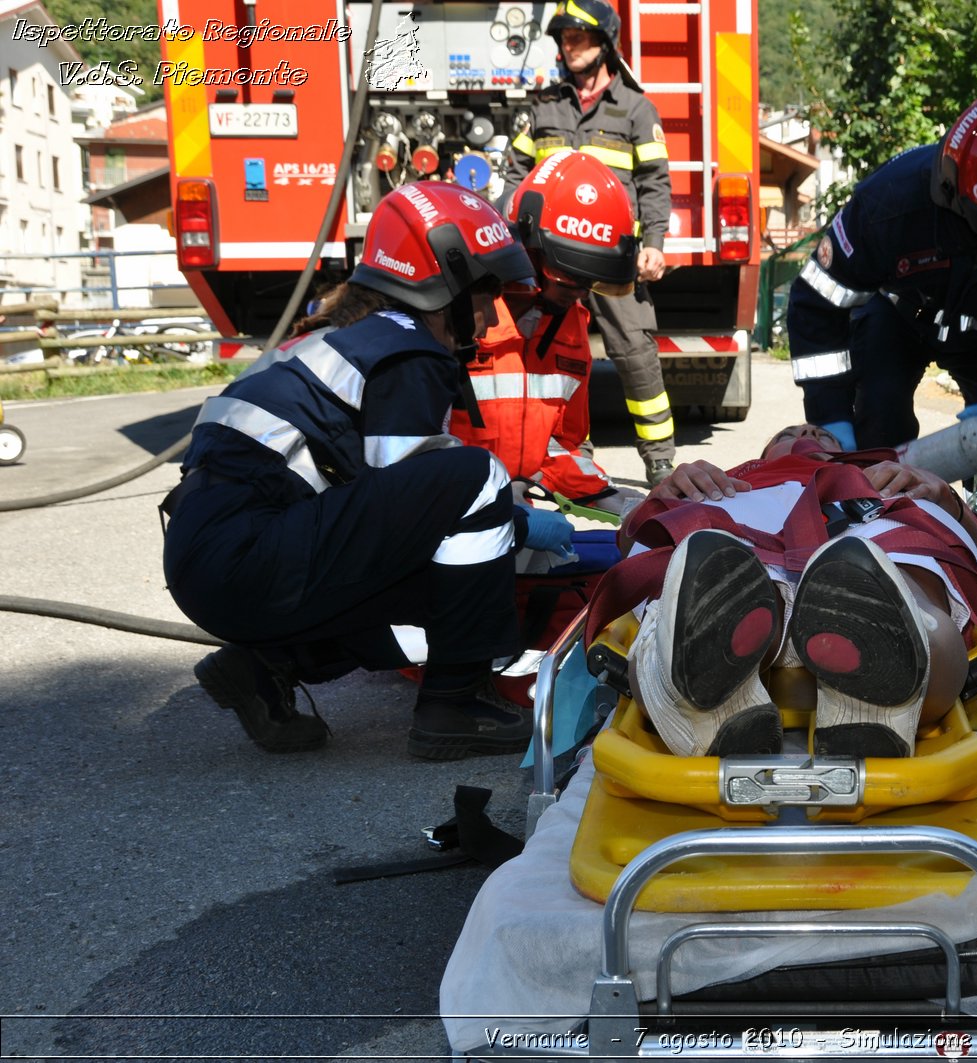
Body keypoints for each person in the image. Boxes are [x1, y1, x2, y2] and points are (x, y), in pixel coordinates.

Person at [163, 182, 577, 759]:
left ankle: (267, 665)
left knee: (445, 575)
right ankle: (454, 705)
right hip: (246, 556)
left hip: (222, 558)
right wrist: (520, 522)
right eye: (484, 296)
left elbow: (383, 522)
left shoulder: (351, 338)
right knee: (476, 476)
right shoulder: (408, 350)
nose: (487, 318)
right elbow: (428, 491)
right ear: (446, 283)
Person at [582, 425, 977, 759]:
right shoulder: (719, 479)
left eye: (821, 434)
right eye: (789, 433)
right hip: (741, 510)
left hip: (859, 509)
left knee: (894, 565)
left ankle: (895, 669)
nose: (806, 435)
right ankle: (706, 676)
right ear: (764, 453)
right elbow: (631, 537)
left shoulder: (880, 476)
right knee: (706, 563)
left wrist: (948, 502)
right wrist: (660, 497)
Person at [783, 93, 977, 492]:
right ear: (954, 200)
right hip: (898, 315)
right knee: (878, 419)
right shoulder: (888, 205)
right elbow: (816, 307)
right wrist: (829, 416)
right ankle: (878, 527)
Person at [506, 0, 677, 485]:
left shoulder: (637, 108)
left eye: (577, 36)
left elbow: (654, 182)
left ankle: (660, 461)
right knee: (550, 350)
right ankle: (563, 450)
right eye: (562, 37)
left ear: (604, 42)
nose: (568, 45)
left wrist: (656, 242)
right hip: (547, 259)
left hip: (613, 255)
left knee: (635, 353)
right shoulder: (543, 106)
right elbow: (516, 174)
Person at [453, 149, 640, 510]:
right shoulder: (462, 315)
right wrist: (487, 491)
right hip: (445, 519)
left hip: (512, 520)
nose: (581, 294)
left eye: (592, 282)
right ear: (527, 251)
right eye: (571, 278)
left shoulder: (570, 327)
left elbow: (558, 445)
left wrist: (607, 495)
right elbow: (412, 442)